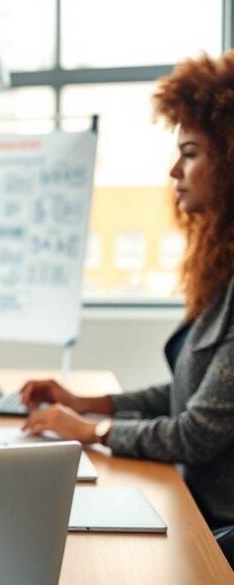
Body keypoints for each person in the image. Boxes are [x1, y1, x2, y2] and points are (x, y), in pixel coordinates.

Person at [20, 51, 234, 529]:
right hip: (197, 507)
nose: (174, 171)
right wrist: (85, 403)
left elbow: (197, 433)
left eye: (191, 153)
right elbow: (191, 395)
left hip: (219, 528)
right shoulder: (223, 273)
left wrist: (92, 430)